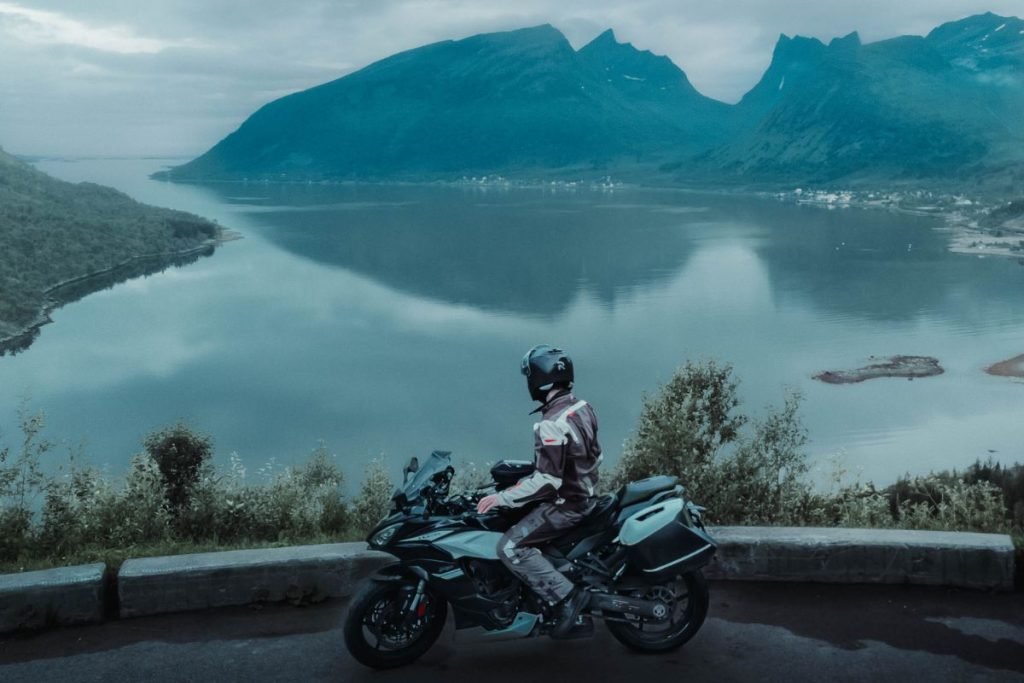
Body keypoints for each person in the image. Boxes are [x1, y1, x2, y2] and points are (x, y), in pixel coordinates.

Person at [476, 344, 602, 638]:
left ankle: (567, 599)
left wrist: (502, 497)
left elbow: (548, 480)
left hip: (568, 505)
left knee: (510, 547)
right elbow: (589, 456)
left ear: (538, 379)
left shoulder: (551, 424)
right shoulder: (582, 408)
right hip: (587, 492)